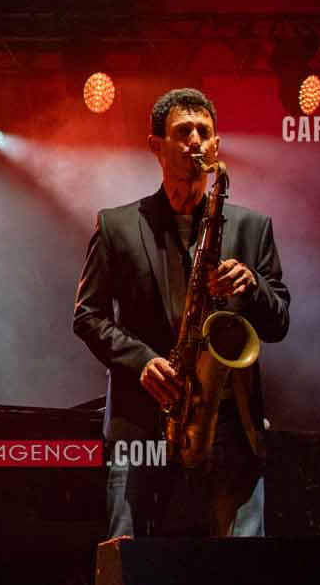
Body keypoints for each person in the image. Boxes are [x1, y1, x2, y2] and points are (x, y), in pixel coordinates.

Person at [72, 87, 291, 537]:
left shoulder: (253, 227)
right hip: (144, 422)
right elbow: (88, 315)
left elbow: (279, 322)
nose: (195, 141)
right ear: (156, 146)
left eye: (204, 133)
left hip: (231, 426)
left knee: (240, 570)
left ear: (217, 146)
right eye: (182, 132)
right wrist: (143, 362)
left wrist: (251, 285)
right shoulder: (117, 225)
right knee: (128, 560)